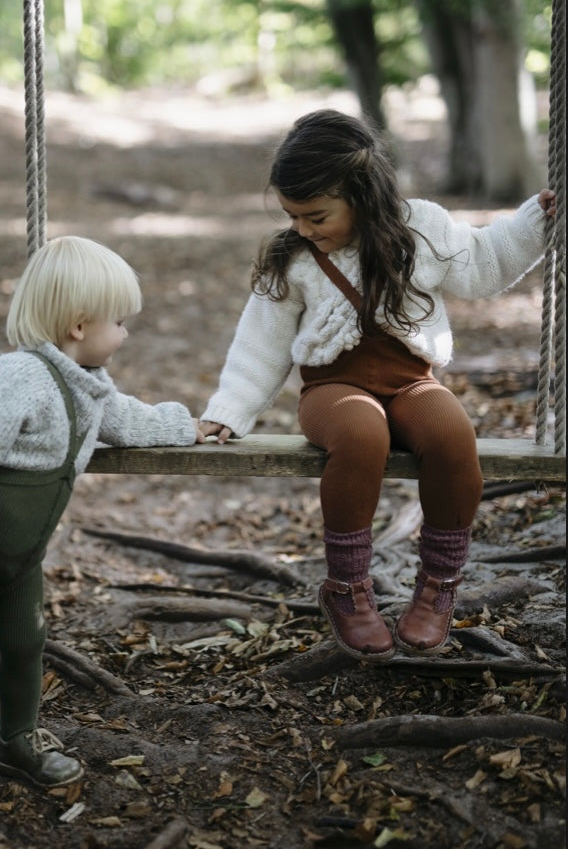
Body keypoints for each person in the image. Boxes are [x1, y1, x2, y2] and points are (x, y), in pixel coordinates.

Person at [199, 109, 556, 663]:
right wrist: (230, 409)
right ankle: (347, 588)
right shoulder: (293, 257)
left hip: (411, 381)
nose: (302, 228)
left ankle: (438, 585)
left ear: (362, 195)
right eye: (293, 215)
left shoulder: (423, 230)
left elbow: (485, 264)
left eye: (315, 215)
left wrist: (536, 220)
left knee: (452, 433)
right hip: (332, 391)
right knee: (364, 434)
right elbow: (260, 344)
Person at [0, 236, 203, 815]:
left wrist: (190, 427)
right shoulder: (16, 376)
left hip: (21, 558)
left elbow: (130, 421)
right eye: (120, 321)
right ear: (80, 325)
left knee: (27, 643)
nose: (127, 332)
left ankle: (17, 740)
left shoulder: (89, 384)